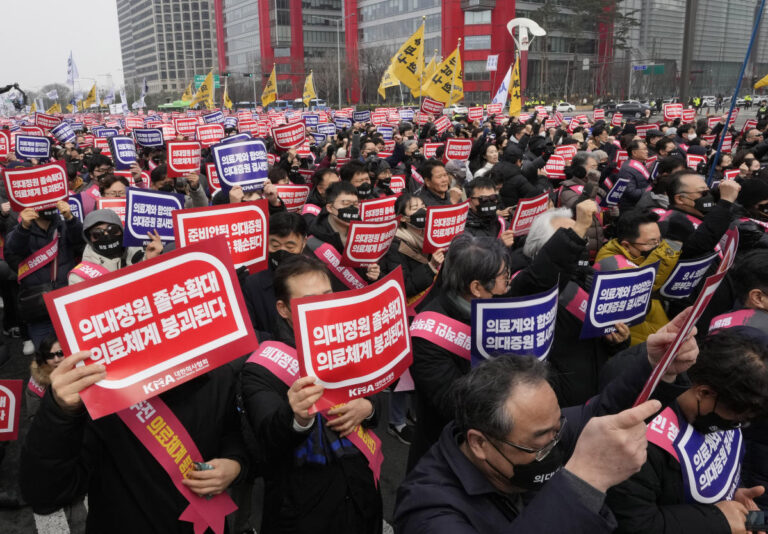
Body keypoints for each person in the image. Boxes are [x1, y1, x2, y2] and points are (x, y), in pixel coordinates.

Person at [395, 308, 699, 534]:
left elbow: (598, 414)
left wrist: (657, 367)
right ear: (479, 443)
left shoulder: (536, 432)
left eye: (558, 430)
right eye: (541, 443)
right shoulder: (430, 510)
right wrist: (584, 482)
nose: (556, 445)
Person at [20, 345, 250, 532]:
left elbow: (232, 434)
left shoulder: (215, 372)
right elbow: (45, 492)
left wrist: (235, 464)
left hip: (204, 524)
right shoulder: (95, 390)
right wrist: (60, 413)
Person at [240, 255, 382, 533]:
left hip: (362, 494)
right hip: (302, 511)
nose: (324, 307)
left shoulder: (351, 342)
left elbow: (376, 392)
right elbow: (268, 437)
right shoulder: (261, 367)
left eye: (328, 296)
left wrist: (368, 406)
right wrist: (296, 417)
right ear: (283, 309)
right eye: (309, 301)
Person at [607, 329, 768, 534]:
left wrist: (733, 496)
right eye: (736, 417)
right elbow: (634, 524)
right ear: (704, 392)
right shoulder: (640, 439)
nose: (737, 424)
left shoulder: (722, 410)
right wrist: (719, 520)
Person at [407, 234, 512, 469]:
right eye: (502, 277)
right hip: (449, 453)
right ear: (476, 287)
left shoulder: (496, 302)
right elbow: (453, 404)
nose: (508, 282)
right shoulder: (429, 333)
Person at [5, 200, 84, 347]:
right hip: (39, 306)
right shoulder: (21, 229)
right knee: (47, 357)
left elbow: (81, 241)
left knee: (76, 350)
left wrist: (71, 219)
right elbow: (12, 250)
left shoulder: (65, 225)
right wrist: (24, 228)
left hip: (67, 301)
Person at [242, 211, 308, 337]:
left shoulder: (316, 277)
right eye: (275, 245)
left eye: (290, 247)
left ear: (303, 243)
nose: (282, 252)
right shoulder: (251, 283)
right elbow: (249, 334)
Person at [305, 181, 380, 291]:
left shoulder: (364, 234)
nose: (352, 208)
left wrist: (373, 274)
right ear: (330, 208)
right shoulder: (314, 242)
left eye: (355, 204)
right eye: (345, 204)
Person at [464, 176, 515, 246]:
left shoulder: (500, 222)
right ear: (469, 202)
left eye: (493, 198)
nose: (489, 202)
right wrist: (499, 244)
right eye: (483, 199)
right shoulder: (463, 229)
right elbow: (471, 255)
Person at [617, 139, 651, 210]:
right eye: (644, 149)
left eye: (646, 149)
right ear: (634, 152)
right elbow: (631, 192)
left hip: (642, 205)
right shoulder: (627, 168)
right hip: (632, 209)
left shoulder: (642, 164)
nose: (647, 152)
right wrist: (651, 190)